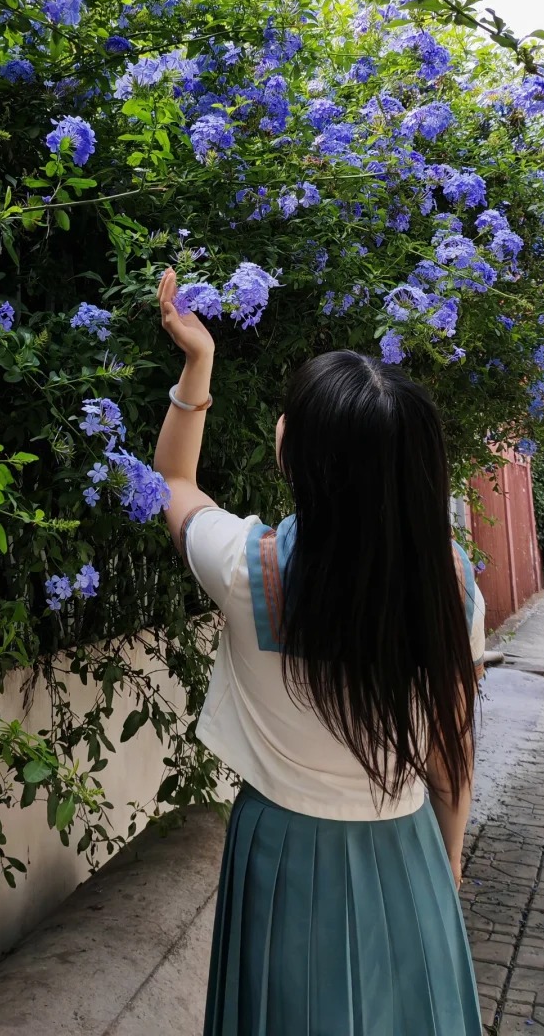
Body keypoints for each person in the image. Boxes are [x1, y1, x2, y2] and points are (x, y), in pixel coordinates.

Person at [153, 268, 484, 1036]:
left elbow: (171, 479)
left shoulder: (247, 569)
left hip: (281, 858)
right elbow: (451, 756)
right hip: (409, 856)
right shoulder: (453, 588)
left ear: (305, 460)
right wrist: (448, 873)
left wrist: (196, 367)